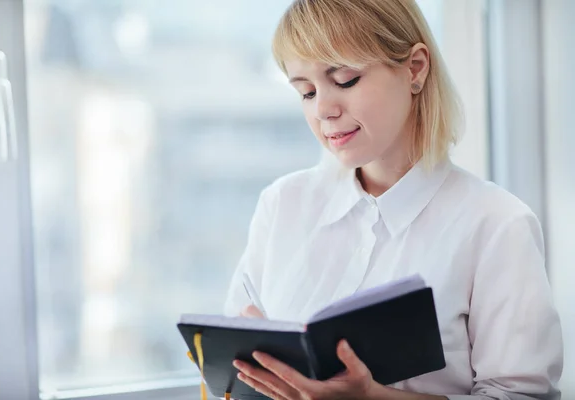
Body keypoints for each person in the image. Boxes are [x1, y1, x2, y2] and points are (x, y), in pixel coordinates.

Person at [223, 0, 563, 399]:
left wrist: (370, 397)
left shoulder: (496, 224)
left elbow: (522, 395)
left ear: (415, 68)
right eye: (306, 91)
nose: (323, 110)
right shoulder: (282, 204)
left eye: (346, 79)